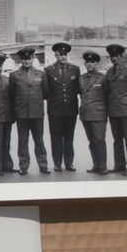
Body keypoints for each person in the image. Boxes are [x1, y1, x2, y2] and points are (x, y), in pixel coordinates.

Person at [9, 47, 50, 175]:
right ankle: (23, 166)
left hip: (37, 113)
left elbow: (45, 93)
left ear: (33, 59)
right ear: (21, 60)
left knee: (39, 140)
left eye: (29, 58)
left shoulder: (41, 74)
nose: (26, 61)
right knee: (23, 141)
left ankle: (43, 165)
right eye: (24, 59)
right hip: (22, 114)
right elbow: (12, 95)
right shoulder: (14, 75)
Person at [43, 41, 81, 172]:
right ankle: (57, 163)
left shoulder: (75, 69)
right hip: (55, 111)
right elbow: (46, 92)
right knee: (56, 138)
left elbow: (77, 89)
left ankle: (69, 163)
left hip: (71, 110)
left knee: (69, 138)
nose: (63, 57)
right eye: (60, 55)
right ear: (55, 55)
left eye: (65, 54)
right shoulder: (48, 70)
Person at [105, 43, 127, 176]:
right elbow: (107, 91)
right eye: (112, 56)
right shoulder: (109, 72)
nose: (114, 58)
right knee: (117, 139)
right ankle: (119, 165)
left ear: (121, 56)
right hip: (113, 110)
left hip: (125, 110)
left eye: (116, 56)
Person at [79, 51, 109, 174]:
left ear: (96, 63)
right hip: (85, 114)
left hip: (98, 114)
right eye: (87, 62)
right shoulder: (81, 78)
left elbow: (108, 95)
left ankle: (103, 167)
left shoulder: (103, 78)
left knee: (99, 140)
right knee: (91, 141)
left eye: (92, 62)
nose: (89, 64)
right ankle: (96, 165)